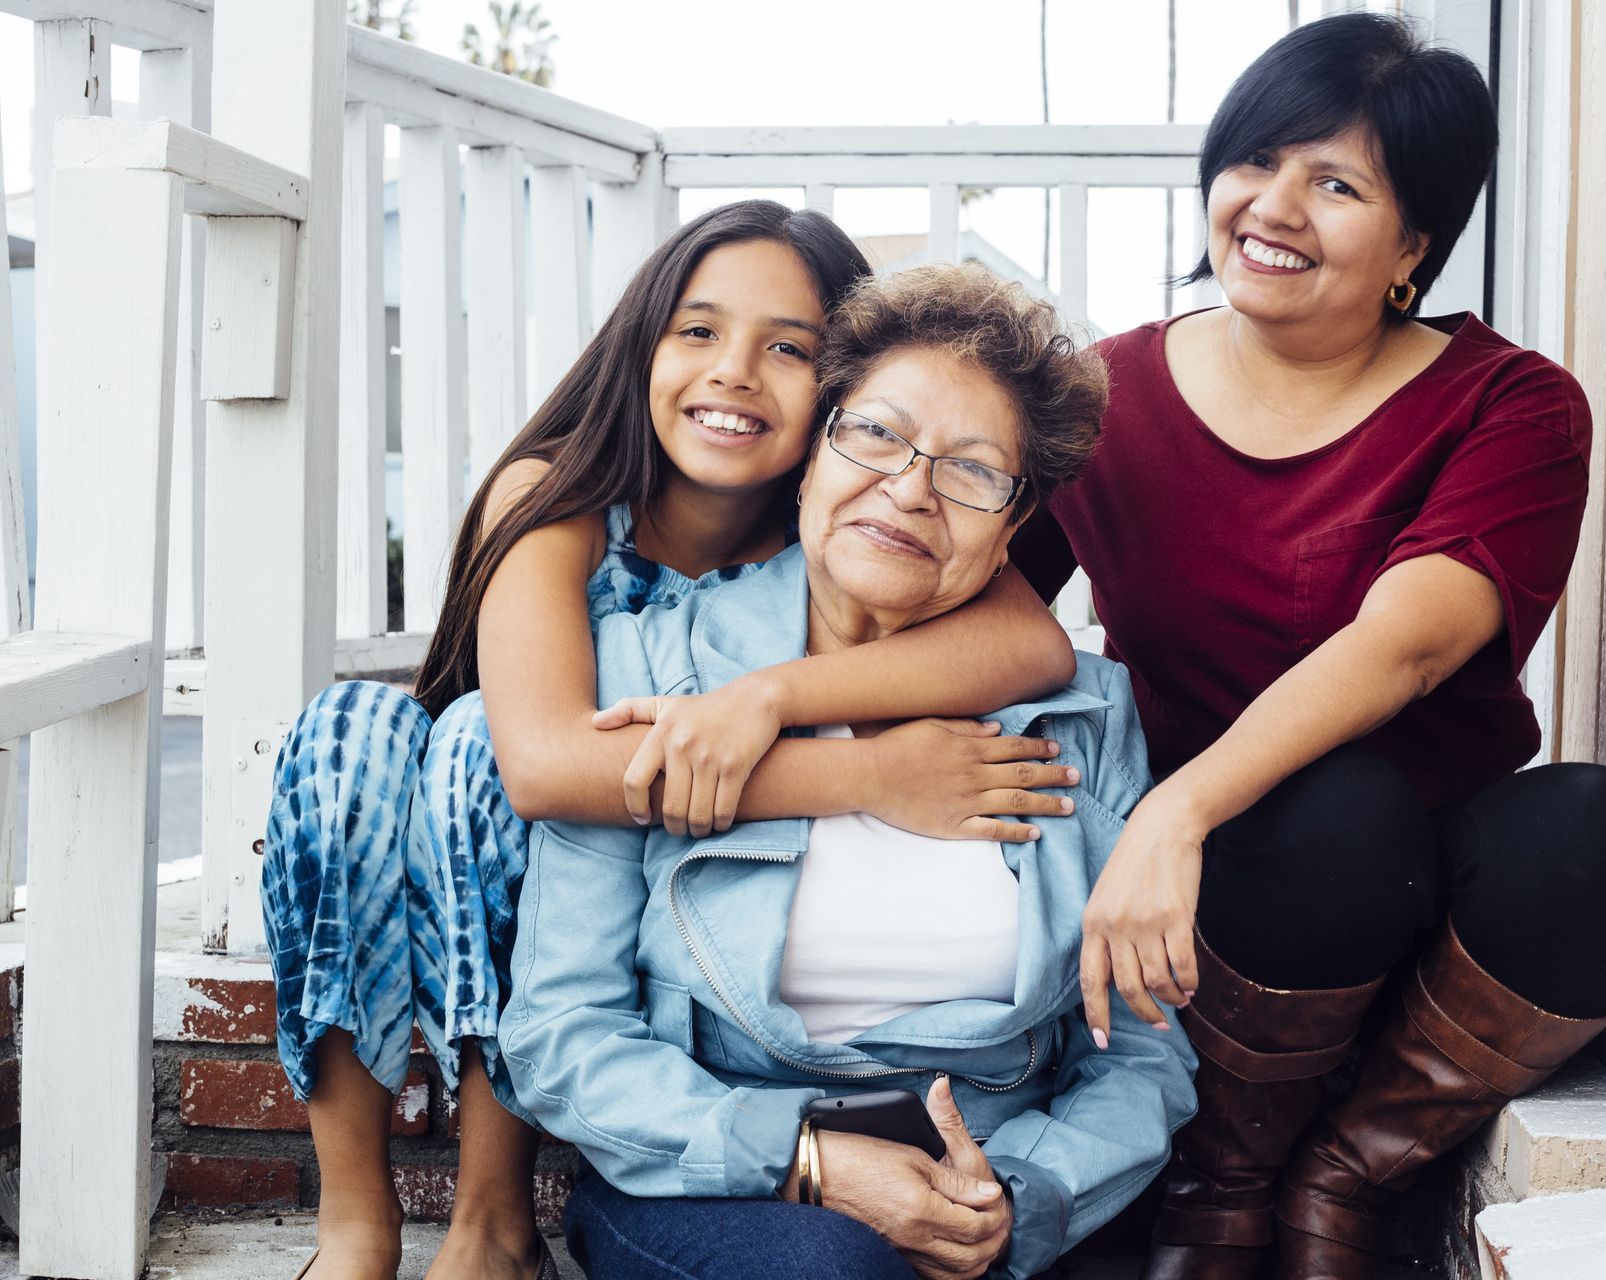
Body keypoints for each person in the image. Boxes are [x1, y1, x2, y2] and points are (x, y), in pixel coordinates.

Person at [261, 203, 1082, 1280]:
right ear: (644, 343)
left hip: (629, 884)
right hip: (481, 834)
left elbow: (1033, 641)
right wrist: (869, 774)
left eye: (787, 348)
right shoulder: (560, 493)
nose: (734, 372)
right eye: (697, 332)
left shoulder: (847, 503)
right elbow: (548, 765)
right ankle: (357, 1222)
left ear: (838, 397)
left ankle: (494, 1218)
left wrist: (768, 695)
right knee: (393, 735)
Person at [1007, 16, 1606, 1279]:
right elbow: (979, 604)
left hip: (1434, 892)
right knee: (1331, 814)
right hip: (1230, 924)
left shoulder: (1512, 402)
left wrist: (1180, 807)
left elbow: (1407, 650)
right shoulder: (1104, 398)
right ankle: (1219, 1186)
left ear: (1413, 245)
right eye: (1256, 159)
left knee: (1604, 832)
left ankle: (1346, 1179)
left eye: (1337, 184)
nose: (1274, 207)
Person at [501, 264, 1198, 1280]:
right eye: (875, 435)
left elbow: (1142, 1055)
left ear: (1015, 524)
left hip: (996, 1170)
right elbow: (562, 1030)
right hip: (734, 1177)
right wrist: (809, 1155)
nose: (910, 489)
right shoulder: (655, 672)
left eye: (970, 470)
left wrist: (1023, 1190)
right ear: (812, 455)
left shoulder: (1082, 718)